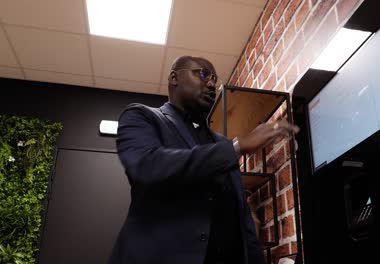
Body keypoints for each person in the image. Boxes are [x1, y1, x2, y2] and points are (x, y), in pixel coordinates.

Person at [109, 56, 299, 264]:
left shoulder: (220, 142)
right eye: (203, 74)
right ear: (174, 78)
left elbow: (242, 219)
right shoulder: (142, 117)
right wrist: (237, 147)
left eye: (215, 79)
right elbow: (147, 166)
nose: (211, 84)